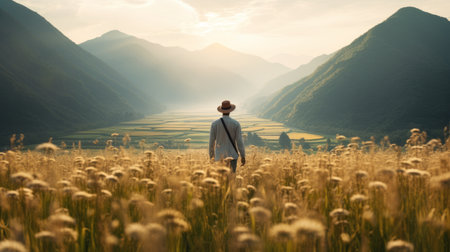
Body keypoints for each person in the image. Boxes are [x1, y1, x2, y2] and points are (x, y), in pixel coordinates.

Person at [209, 100, 246, 172]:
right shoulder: (236, 124)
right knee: (231, 179)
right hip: (232, 156)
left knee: (220, 180)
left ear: (221, 111)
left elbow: (211, 142)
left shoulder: (214, 124)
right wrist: (243, 156)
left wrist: (211, 157)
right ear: (230, 111)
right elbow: (239, 141)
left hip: (219, 157)